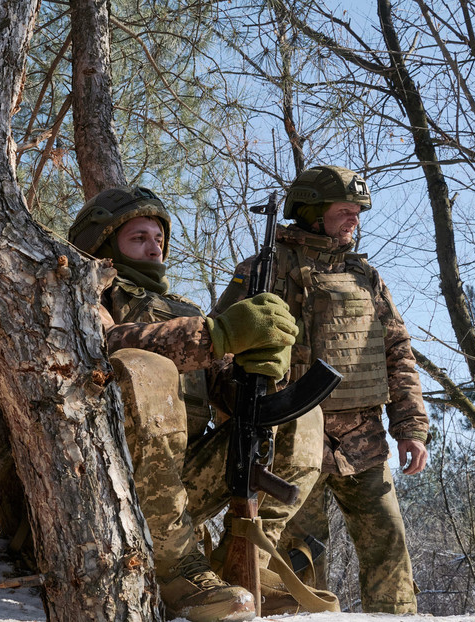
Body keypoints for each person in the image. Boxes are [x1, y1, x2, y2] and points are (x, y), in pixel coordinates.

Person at [68, 186, 300, 622]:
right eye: (138, 237)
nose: (154, 246)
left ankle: (246, 559)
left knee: (297, 414)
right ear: (101, 245)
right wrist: (216, 335)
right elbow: (102, 346)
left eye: (158, 237)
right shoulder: (81, 295)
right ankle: (174, 568)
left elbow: (229, 396)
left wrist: (260, 367)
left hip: (175, 488)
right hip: (99, 486)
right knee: (144, 366)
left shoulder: (183, 309)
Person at [215, 166, 429, 613]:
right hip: (292, 441)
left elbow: (397, 352)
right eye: (343, 211)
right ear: (311, 212)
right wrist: (239, 421)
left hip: (363, 440)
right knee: (303, 557)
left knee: (388, 548)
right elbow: (221, 352)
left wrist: (411, 426)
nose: (354, 220)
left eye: (357, 212)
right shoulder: (262, 270)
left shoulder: (365, 277)